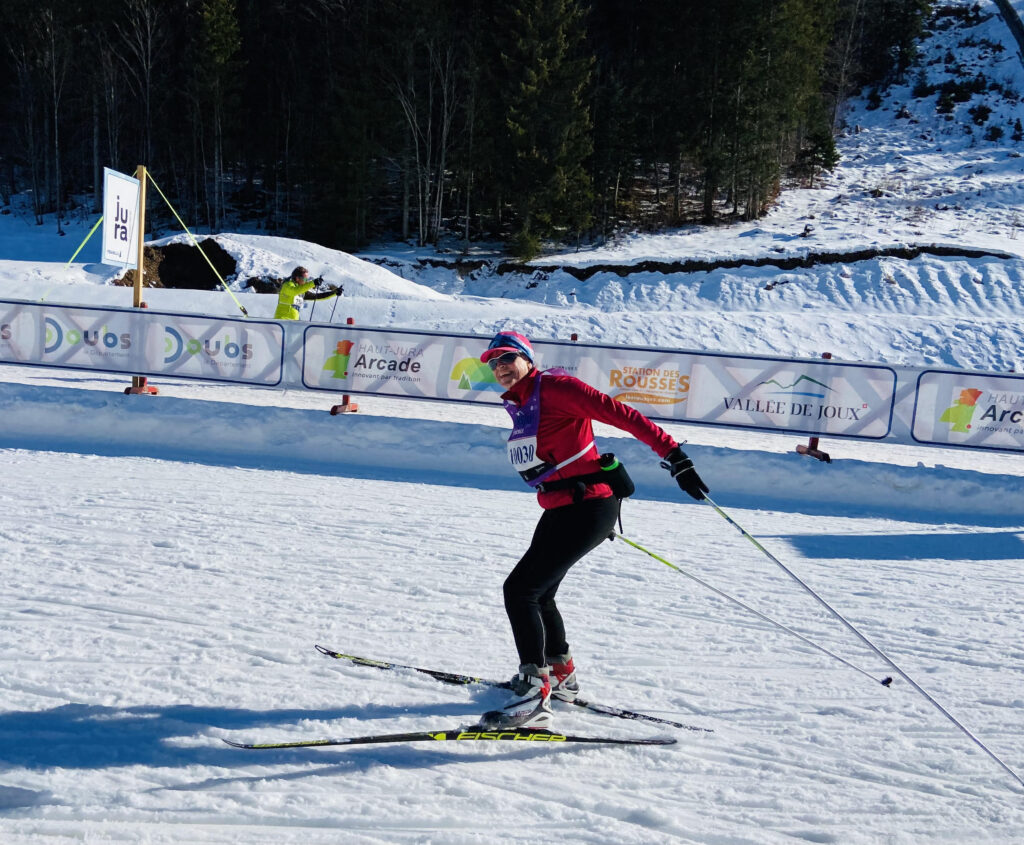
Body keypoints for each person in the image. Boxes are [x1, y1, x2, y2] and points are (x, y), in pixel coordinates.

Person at [478, 330, 709, 730]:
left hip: (590, 506)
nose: (500, 368)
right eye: (493, 363)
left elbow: (625, 416)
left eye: (507, 358)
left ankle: (535, 694)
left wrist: (676, 457)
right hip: (562, 506)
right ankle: (561, 677)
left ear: (527, 359)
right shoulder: (521, 402)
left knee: (521, 590)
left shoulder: (557, 387)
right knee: (540, 592)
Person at [274, 266, 342, 320]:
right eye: (304, 279)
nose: (306, 281)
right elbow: (294, 291)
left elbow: (317, 296)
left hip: (293, 322)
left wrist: (334, 292)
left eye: (307, 279)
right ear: (297, 278)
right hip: (281, 321)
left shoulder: (301, 291)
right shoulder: (287, 286)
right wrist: (313, 283)